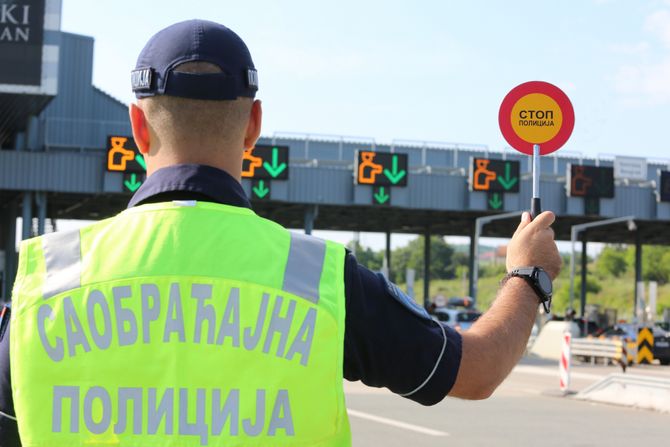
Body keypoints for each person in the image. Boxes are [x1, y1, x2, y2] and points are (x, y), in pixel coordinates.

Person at [0, 20, 561, 446]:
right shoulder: (319, 278)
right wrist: (527, 275)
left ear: (137, 126)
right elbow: (475, 370)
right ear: (254, 126)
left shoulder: (46, 278)